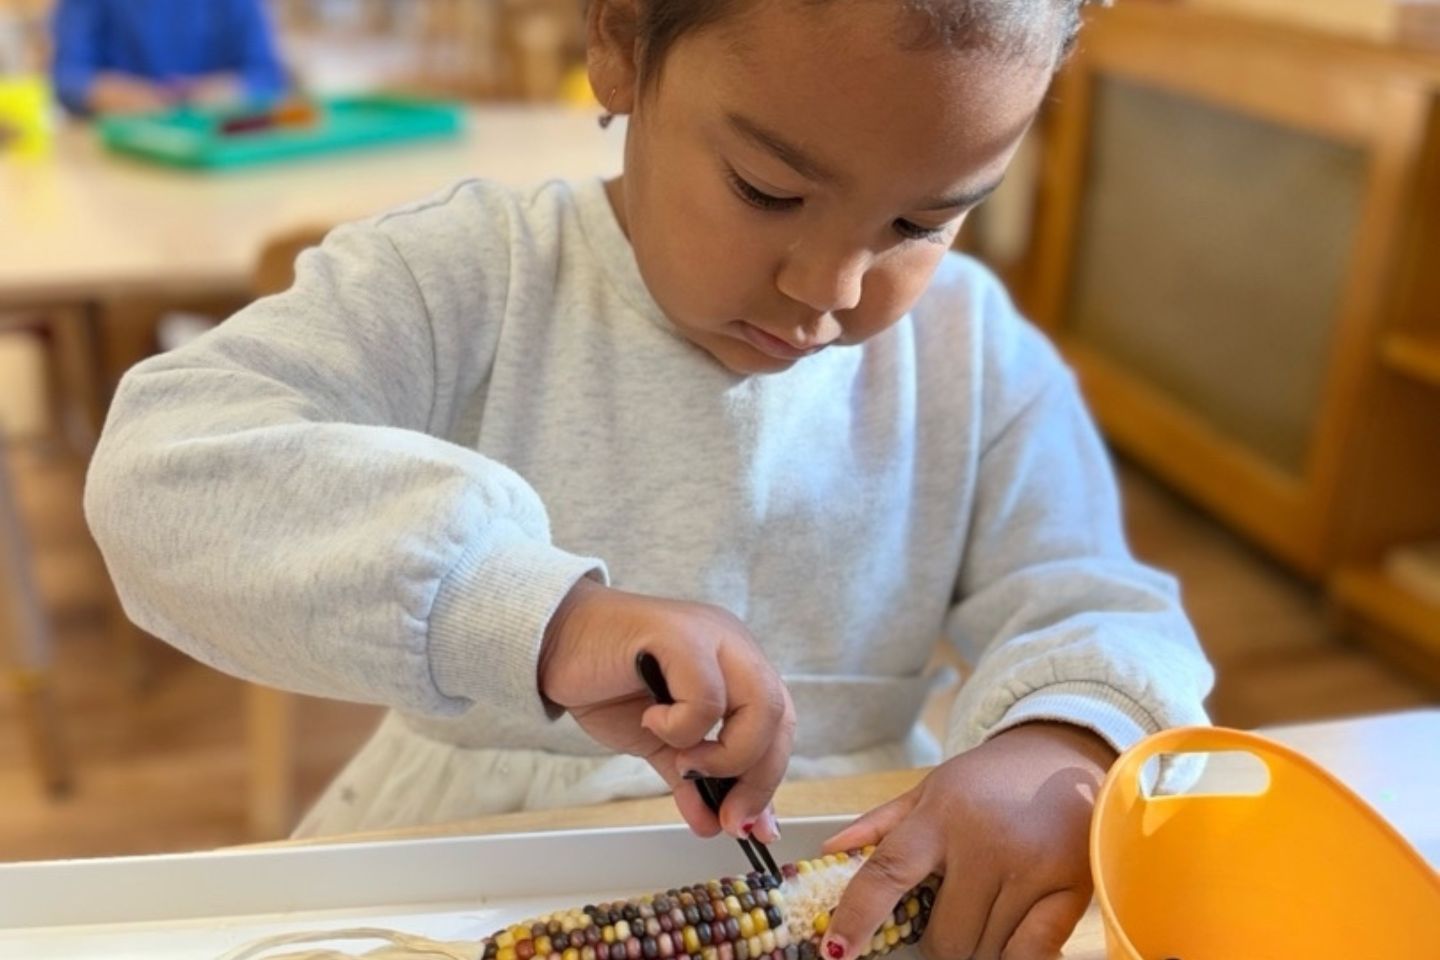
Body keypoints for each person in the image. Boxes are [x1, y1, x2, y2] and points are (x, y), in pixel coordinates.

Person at [84, 0, 1214, 956]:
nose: (828, 287)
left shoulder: (979, 356)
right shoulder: (466, 280)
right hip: (474, 844)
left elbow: (1100, 603)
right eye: (769, 190)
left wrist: (1062, 747)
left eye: (924, 219)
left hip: (847, 852)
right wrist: (531, 614)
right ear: (622, 43)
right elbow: (161, 471)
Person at [50, 0, 286, 116]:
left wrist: (230, 90)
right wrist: (112, 93)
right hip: (120, 154)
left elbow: (267, 75)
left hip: (217, 146)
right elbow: (66, 77)